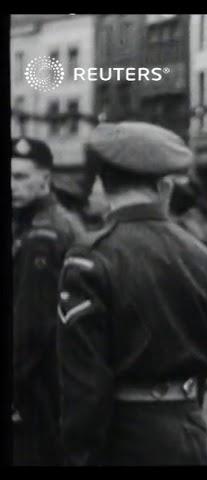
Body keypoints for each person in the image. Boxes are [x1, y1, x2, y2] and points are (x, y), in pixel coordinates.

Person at [56, 122, 207, 465]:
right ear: (165, 187)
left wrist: (79, 455)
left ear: (103, 185)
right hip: (189, 431)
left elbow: (84, 384)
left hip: (122, 437)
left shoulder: (91, 259)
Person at [12, 137, 84, 465]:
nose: (12, 185)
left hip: (38, 381)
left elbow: (31, 325)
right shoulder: (54, 222)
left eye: (21, 177)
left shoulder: (43, 233)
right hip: (60, 376)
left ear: (45, 179)